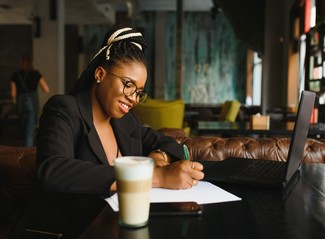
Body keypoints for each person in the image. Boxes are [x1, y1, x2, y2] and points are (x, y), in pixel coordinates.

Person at [36, 26, 204, 197]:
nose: (134, 98)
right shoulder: (65, 109)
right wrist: (156, 177)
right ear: (100, 74)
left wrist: (159, 157)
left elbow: (167, 143)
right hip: (77, 221)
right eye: (128, 85)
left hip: (122, 217)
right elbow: (53, 170)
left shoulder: (125, 121)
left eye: (139, 92)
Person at [10, 54, 50, 147]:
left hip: (21, 102)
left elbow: (13, 94)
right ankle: (27, 150)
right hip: (32, 102)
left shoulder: (15, 75)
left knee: (24, 124)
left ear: (21, 62)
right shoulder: (36, 74)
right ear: (31, 62)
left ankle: (25, 147)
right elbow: (46, 89)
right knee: (30, 128)